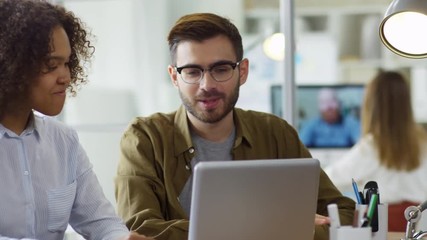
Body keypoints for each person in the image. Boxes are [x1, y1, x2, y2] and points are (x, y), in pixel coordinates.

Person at [115, 12, 355, 240]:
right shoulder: (145, 139)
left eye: (221, 69)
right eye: (192, 71)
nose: (207, 84)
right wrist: (273, 228)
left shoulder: (276, 133)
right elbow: (141, 231)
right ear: (174, 77)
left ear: (242, 71)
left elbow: (342, 212)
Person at [0, 1, 153, 239]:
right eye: (52, 65)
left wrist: (121, 237)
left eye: (67, 63)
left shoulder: (64, 141)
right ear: (11, 66)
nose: (66, 77)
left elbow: (100, 220)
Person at [325, 70, 427, 231]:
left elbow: (329, 180)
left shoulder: (372, 146)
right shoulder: (423, 141)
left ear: (371, 104)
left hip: (382, 228)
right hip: (418, 226)